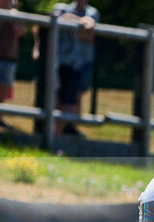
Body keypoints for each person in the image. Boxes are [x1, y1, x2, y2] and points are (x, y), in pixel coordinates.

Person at [53, 0, 99, 136]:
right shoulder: (61, 7)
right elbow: (61, 18)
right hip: (62, 62)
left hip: (80, 63)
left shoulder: (92, 12)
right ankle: (56, 133)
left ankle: (69, 128)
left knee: (75, 97)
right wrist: (82, 22)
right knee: (59, 98)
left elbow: (89, 35)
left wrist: (74, 24)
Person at [0, 0, 26, 126]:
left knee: (4, 88)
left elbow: (21, 31)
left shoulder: (15, 14)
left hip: (10, 56)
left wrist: (12, 14)